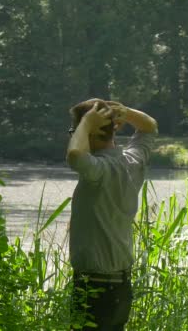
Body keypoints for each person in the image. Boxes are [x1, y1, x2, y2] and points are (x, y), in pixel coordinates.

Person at [66, 98, 158, 330]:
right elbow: (149, 126)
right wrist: (124, 113)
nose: (74, 135)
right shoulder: (132, 161)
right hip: (121, 287)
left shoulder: (98, 171)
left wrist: (86, 122)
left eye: (75, 130)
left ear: (92, 132)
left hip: (94, 288)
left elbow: (75, 155)